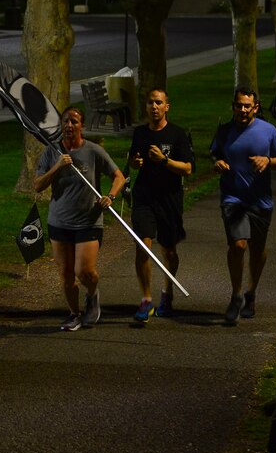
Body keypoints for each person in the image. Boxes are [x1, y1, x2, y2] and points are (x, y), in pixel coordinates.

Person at [35, 107, 126, 332]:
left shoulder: (93, 151)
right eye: (66, 121)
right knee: (66, 275)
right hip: (59, 221)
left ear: (81, 126)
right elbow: (38, 186)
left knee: (85, 272)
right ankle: (74, 314)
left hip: (88, 221)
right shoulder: (51, 152)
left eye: (74, 121)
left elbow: (119, 177)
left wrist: (111, 196)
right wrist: (57, 166)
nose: (69, 125)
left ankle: (92, 294)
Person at [209, 87, 276, 324]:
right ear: (233, 106)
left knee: (257, 249)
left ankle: (251, 292)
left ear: (256, 107)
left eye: (247, 106)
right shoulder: (224, 131)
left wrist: (268, 160)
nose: (243, 110)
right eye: (239, 105)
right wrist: (218, 163)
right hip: (233, 199)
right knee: (238, 245)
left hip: (260, 200)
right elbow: (215, 154)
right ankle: (236, 295)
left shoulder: (268, 130)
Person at [126, 88, 194, 323]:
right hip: (144, 198)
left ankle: (167, 292)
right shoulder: (140, 133)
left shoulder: (177, 134)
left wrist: (164, 160)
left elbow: (187, 169)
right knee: (143, 246)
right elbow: (133, 161)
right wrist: (135, 162)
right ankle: (146, 299)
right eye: (150, 103)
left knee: (169, 251)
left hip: (169, 199)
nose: (154, 107)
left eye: (158, 102)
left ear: (167, 107)